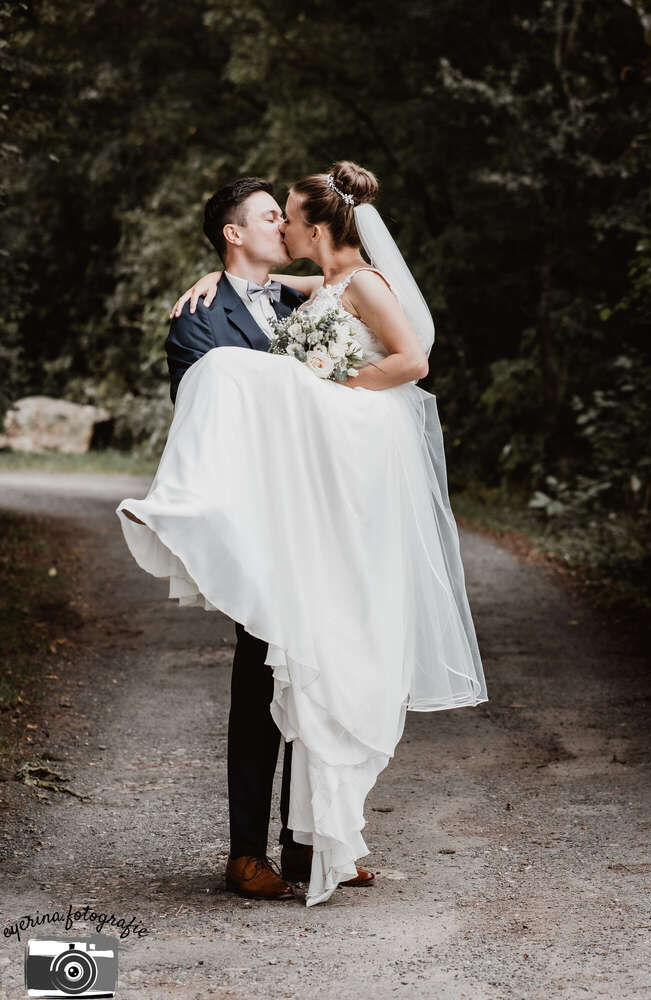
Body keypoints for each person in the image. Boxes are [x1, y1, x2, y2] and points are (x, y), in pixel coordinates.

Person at [117, 160, 488, 908]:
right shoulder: (197, 317)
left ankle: (313, 844)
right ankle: (246, 852)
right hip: (266, 525)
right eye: (266, 218)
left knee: (327, 674)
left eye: (285, 218)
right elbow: (204, 410)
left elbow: (357, 307)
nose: (280, 227)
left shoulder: (309, 295)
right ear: (234, 234)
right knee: (262, 678)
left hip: (329, 515)